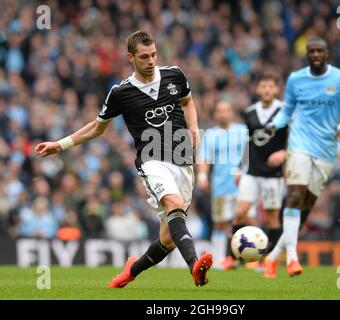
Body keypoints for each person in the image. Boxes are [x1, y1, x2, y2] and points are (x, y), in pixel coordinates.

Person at [34, 30, 213, 288]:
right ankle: (195, 266)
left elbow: (188, 101)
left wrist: (194, 129)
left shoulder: (175, 74)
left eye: (153, 55)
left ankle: (131, 271)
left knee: (168, 239)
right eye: (144, 57)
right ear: (131, 57)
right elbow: (97, 127)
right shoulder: (121, 92)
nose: (150, 61)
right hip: (152, 160)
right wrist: (60, 145)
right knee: (173, 203)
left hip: (182, 157)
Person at [264, 37, 340, 278]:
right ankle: (292, 259)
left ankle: (271, 257)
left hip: (326, 151)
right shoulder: (296, 79)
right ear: (307, 54)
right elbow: (287, 111)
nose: (316, 54)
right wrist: (273, 124)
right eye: (312, 51)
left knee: (304, 209)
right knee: (295, 197)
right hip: (299, 144)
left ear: (327, 53)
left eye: (320, 50)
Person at [222, 73, 289, 271]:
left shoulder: (284, 111)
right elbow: (246, 143)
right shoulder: (250, 113)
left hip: (273, 175)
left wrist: (284, 154)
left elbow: (295, 139)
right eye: (263, 86)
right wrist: (238, 168)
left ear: (276, 89)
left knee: (271, 218)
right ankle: (230, 257)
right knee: (240, 213)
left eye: (270, 86)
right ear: (258, 89)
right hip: (251, 172)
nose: (267, 90)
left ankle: (270, 261)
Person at [197, 100, 247, 265]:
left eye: (226, 110)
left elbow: (251, 154)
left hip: (244, 185)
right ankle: (218, 258)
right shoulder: (211, 135)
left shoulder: (243, 131)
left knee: (244, 220)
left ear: (232, 113)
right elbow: (204, 157)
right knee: (220, 223)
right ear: (215, 114)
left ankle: (248, 258)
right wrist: (202, 176)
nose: (223, 114)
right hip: (221, 185)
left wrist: (244, 170)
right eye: (219, 111)